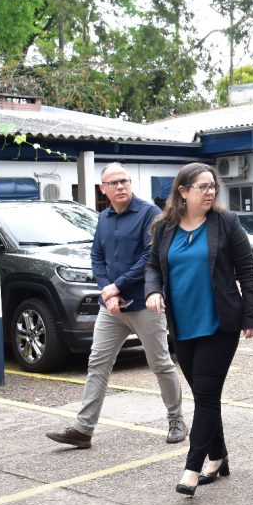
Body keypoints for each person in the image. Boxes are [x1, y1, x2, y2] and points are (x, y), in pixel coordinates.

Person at [46, 163, 185, 449]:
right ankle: (83, 430)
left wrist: (117, 286)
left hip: (145, 303)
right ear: (103, 189)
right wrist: (108, 292)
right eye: (114, 183)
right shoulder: (105, 218)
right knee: (98, 363)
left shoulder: (149, 214)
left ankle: (176, 420)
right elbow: (97, 256)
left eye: (124, 181)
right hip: (112, 309)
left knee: (160, 363)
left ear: (130, 183)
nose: (120, 186)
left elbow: (150, 256)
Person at [144, 162, 253, 497]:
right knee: (205, 396)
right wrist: (153, 290)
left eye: (213, 187)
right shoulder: (165, 227)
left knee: (207, 396)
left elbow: (247, 272)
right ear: (183, 191)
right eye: (203, 187)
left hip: (219, 324)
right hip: (182, 325)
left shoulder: (226, 223)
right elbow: (153, 266)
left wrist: (251, 317)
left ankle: (193, 468)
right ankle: (219, 456)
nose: (210, 192)